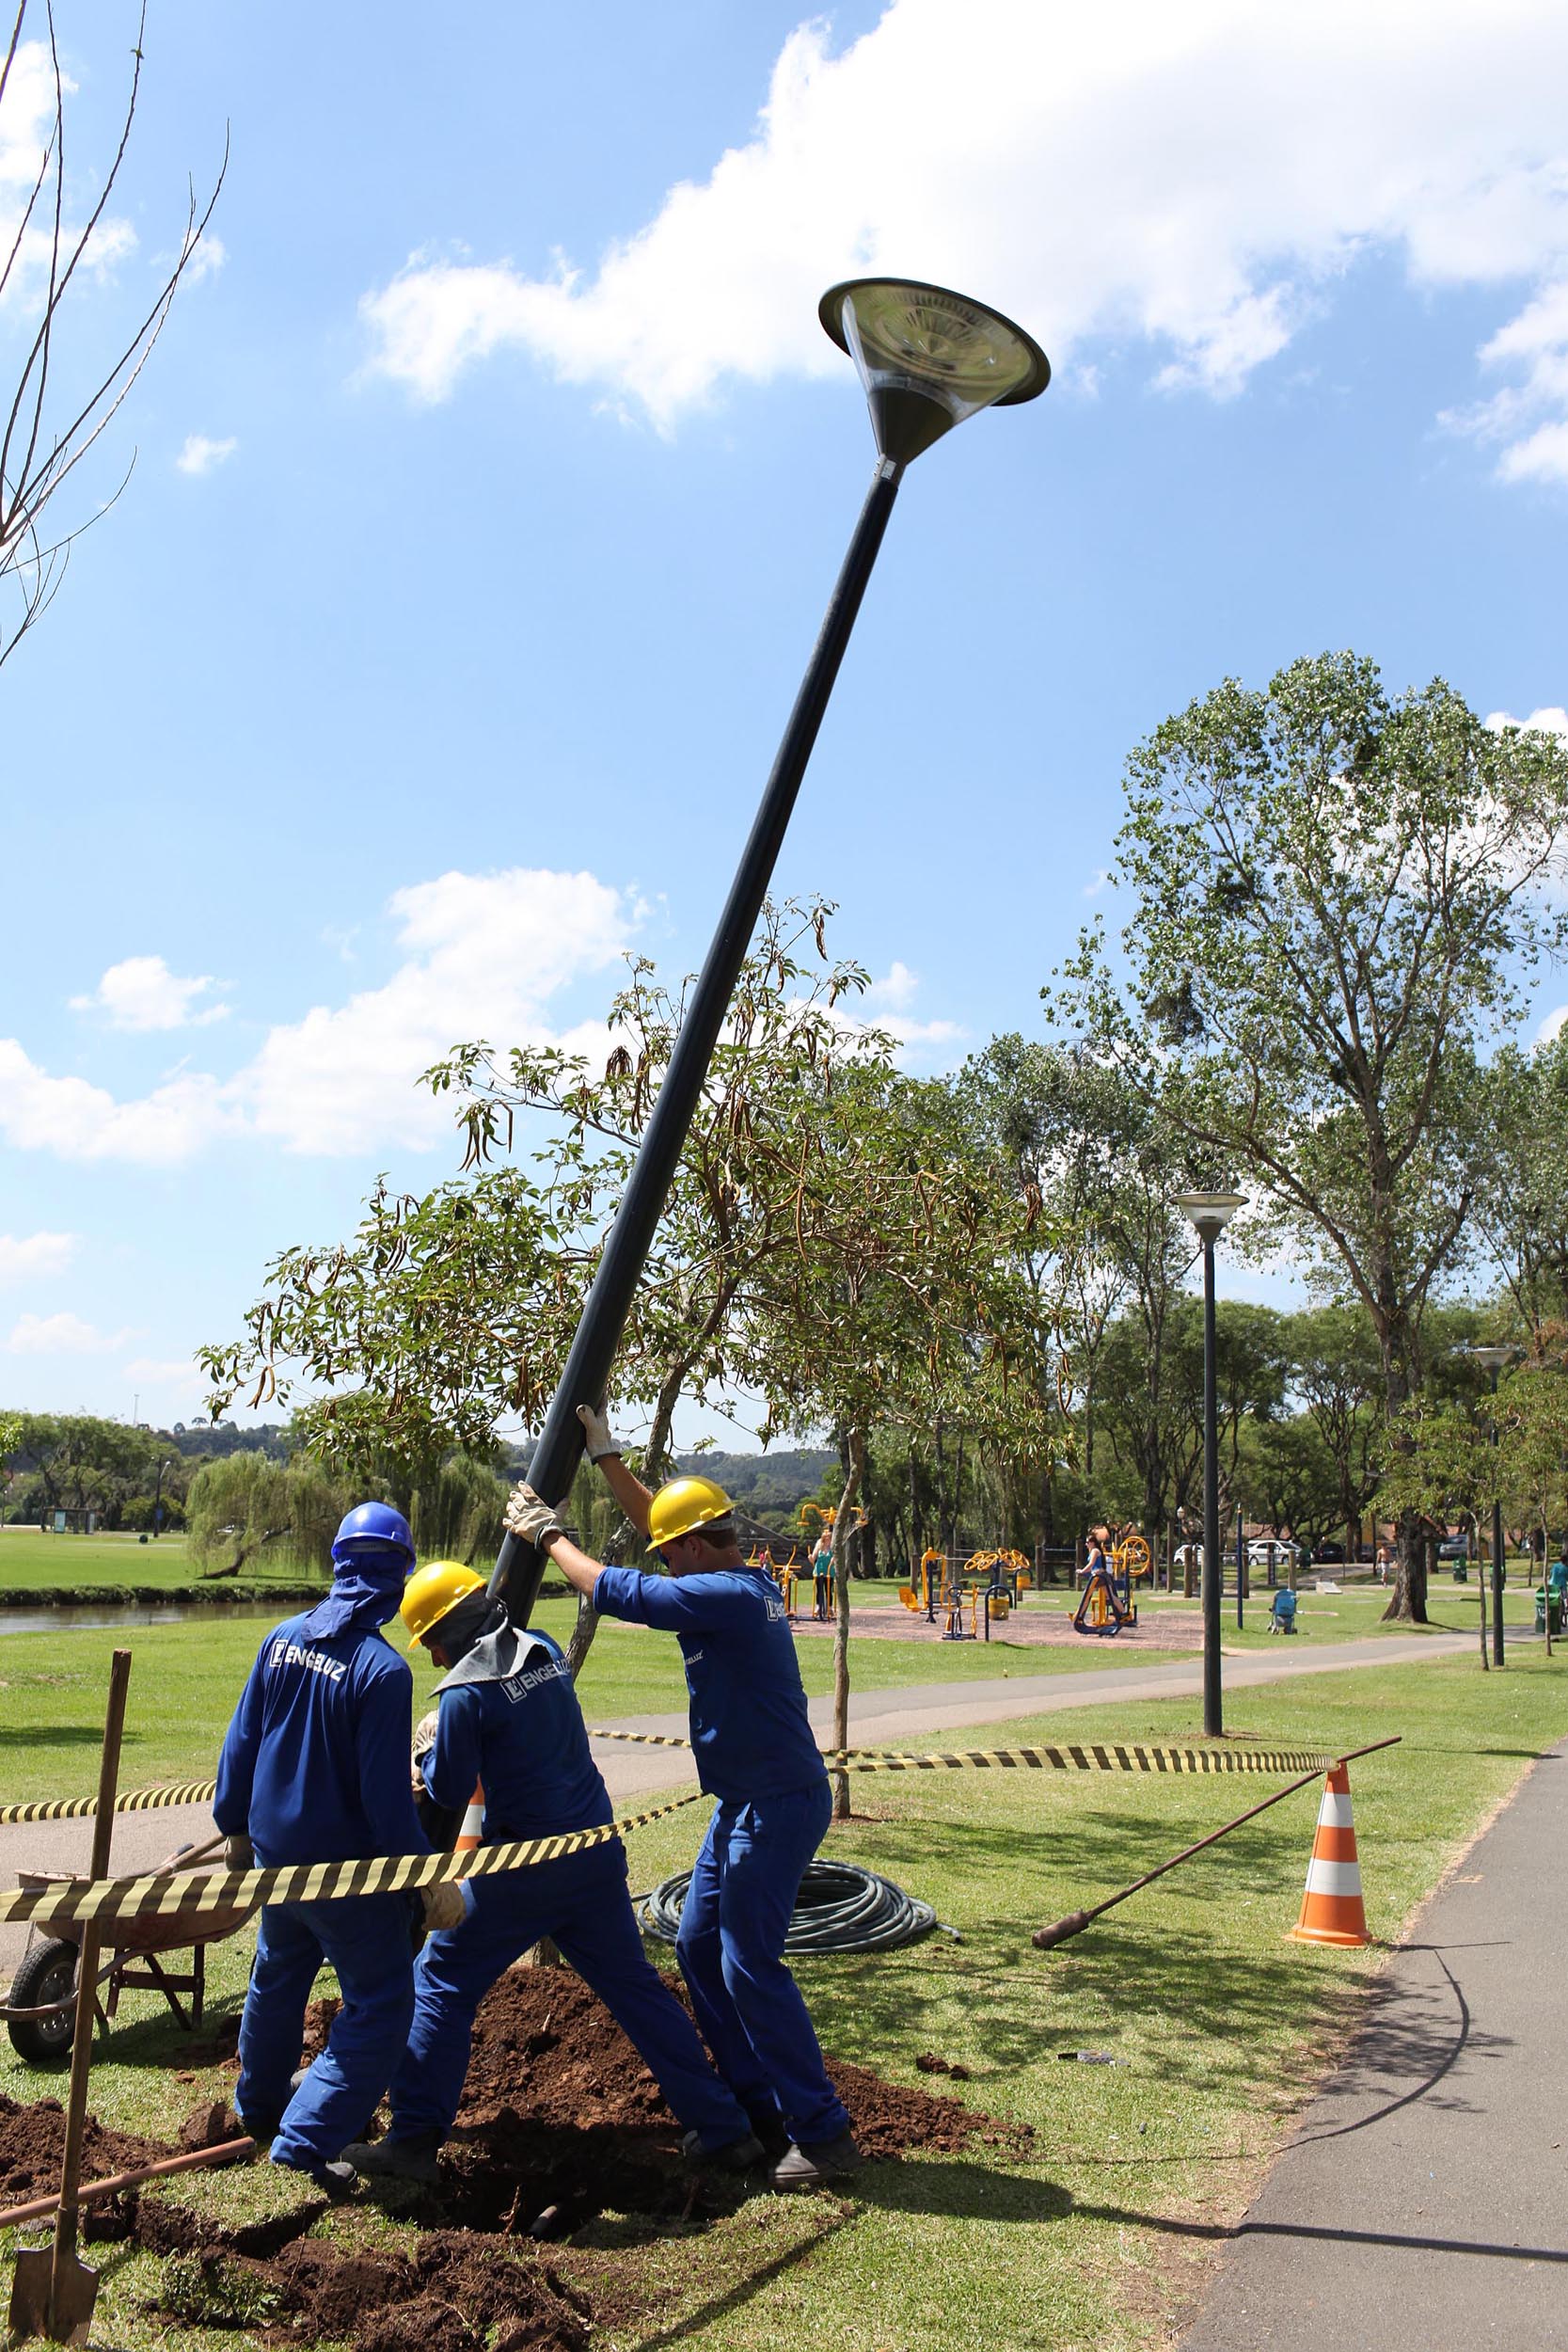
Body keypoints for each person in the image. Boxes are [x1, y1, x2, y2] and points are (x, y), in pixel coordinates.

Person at [504, 1406, 860, 2191]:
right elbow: (668, 1529)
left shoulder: (722, 1599)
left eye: (674, 1555)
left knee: (748, 1964)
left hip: (773, 1805)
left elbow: (623, 1591)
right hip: (745, 1801)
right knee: (699, 1945)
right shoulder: (741, 1577)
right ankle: (756, 2106)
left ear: (696, 1551)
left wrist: (547, 1536)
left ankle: (823, 2132)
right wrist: (608, 1459)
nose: (668, 1565)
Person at [347, 1562, 760, 2185]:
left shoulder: (465, 1693)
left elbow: (451, 1788)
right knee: (636, 1992)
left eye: (431, 1639)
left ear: (450, 1631)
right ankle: (725, 2130)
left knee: (438, 1984)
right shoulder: (538, 1649)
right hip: (593, 1855)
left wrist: (427, 1751)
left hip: (523, 1871)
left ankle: (411, 2142)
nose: (432, 1658)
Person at [214, 1502, 461, 2190]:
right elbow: (386, 1807)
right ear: (399, 1579)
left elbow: (241, 1743)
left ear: (338, 1566)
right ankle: (304, 2139)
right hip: (344, 1875)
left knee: (279, 1974)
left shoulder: (282, 1638)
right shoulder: (382, 1671)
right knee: (382, 2002)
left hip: (274, 1858)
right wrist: (424, 1877)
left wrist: (234, 1825)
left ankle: (258, 2105)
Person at [809, 1530, 834, 1622]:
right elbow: (814, 1557)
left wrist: (833, 1560)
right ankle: (818, 1606)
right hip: (819, 1571)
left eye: (829, 1538)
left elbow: (836, 1556)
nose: (828, 1540)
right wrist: (811, 1558)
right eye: (826, 1538)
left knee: (828, 1590)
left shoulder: (832, 1547)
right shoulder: (819, 1546)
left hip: (829, 1572)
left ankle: (829, 1607)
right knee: (819, 1590)